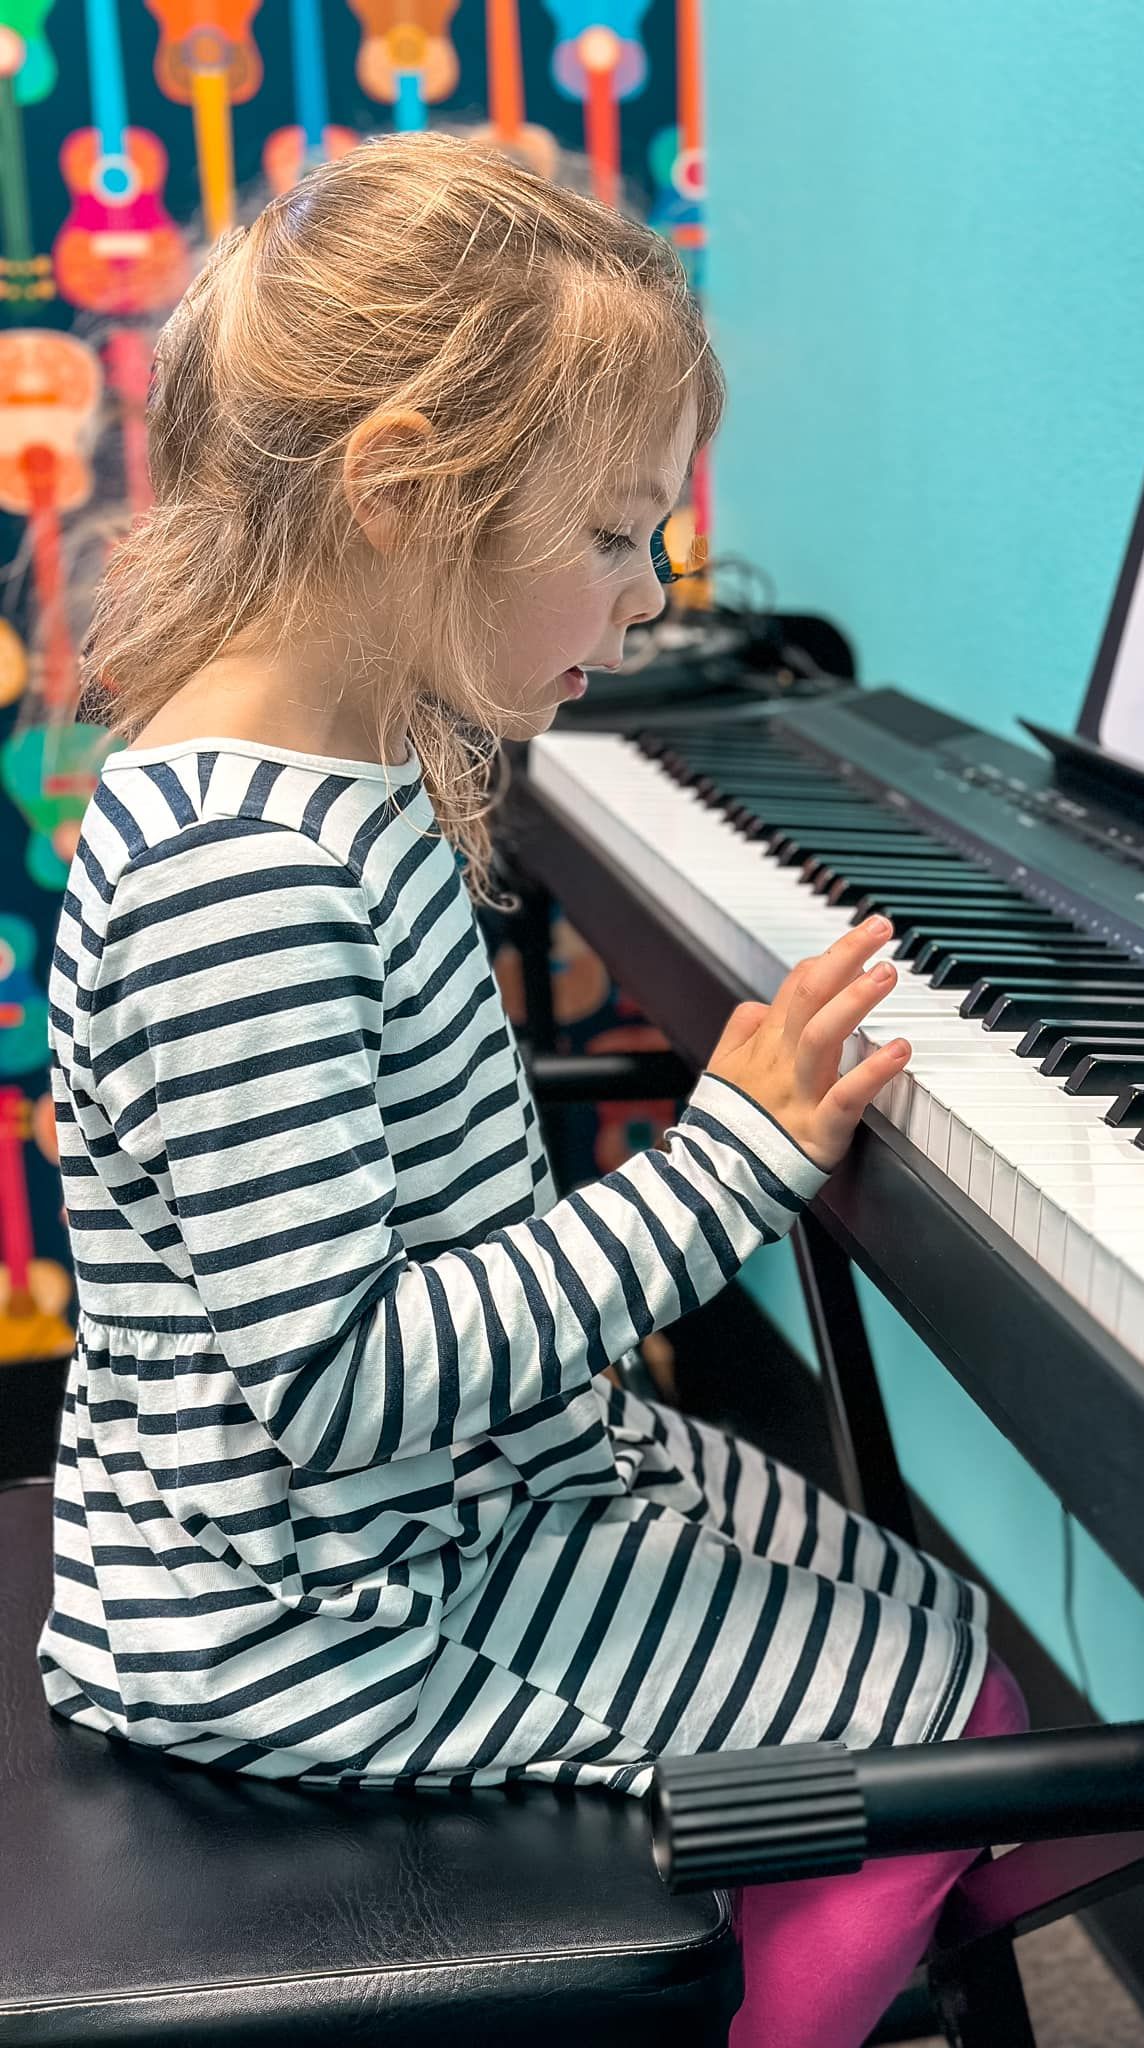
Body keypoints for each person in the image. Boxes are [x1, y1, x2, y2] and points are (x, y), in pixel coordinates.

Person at [40, 132, 1025, 2047]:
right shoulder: (239, 884)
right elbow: (336, 1387)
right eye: (609, 537)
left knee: (891, 1589)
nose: (648, 598)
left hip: (440, 1495)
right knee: (940, 1710)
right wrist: (724, 1169)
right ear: (408, 495)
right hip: (301, 1603)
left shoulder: (339, 766)